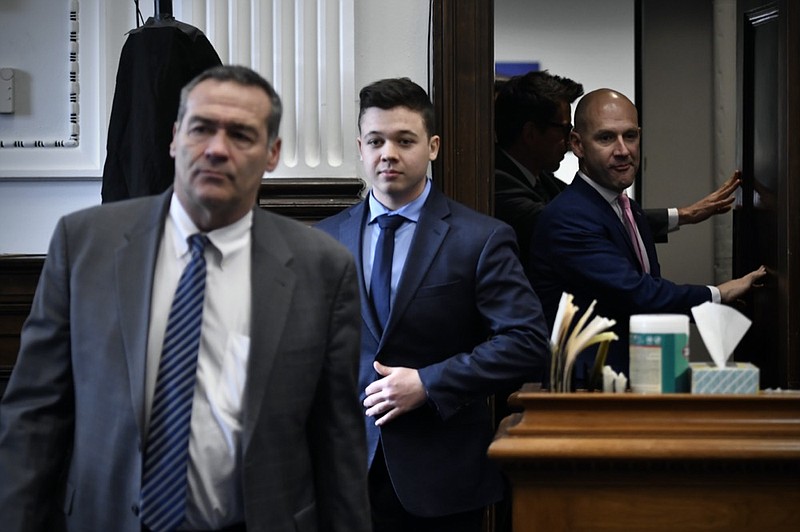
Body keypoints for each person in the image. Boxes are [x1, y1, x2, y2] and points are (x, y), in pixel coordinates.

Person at [0, 65, 370, 532]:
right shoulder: (85, 244)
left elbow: (338, 442)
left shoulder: (323, 268)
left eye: (240, 134)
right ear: (175, 137)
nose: (216, 149)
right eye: (201, 129)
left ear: (272, 154)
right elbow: (34, 417)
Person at [315, 77, 550, 532]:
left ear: (433, 147)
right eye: (376, 141)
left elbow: (527, 342)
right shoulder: (323, 240)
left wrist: (428, 381)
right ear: (360, 148)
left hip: (441, 480)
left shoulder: (480, 238)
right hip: (342, 477)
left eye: (405, 140)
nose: (389, 153)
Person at [529, 88, 766, 383]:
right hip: (586, 397)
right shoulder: (568, 218)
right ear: (577, 144)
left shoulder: (626, 207)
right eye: (606, 138)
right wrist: (719, 293)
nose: (623, 150)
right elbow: (639, 294)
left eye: (630, 136)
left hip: (631, 384)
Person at [494, 71, 741, 275]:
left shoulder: (541, 177)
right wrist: (685, 215)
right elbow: (581, 220)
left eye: (631, 136)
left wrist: (684, 215)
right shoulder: (496, 183)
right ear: (530, 134)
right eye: (564, 129)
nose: (569, 141)